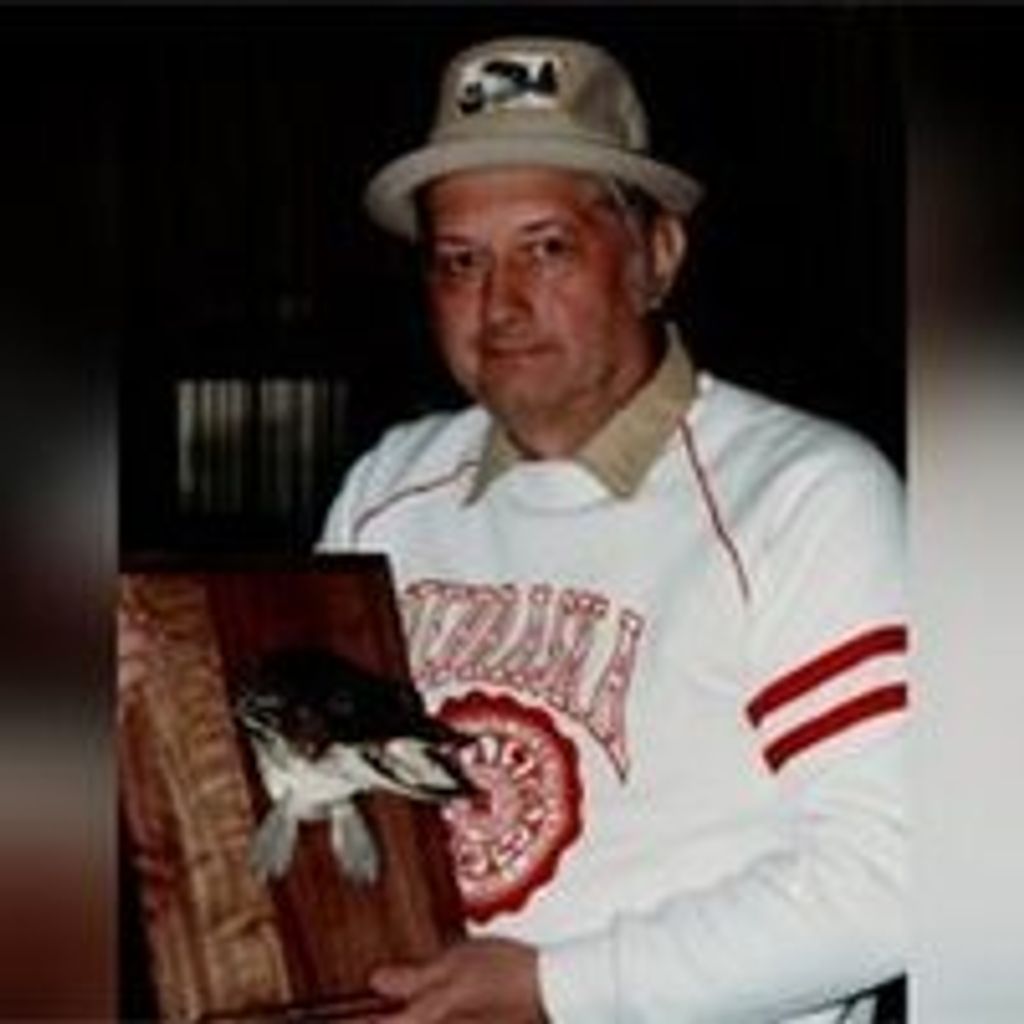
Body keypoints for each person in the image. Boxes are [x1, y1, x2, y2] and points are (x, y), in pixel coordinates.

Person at [318, 35, 906, 1024]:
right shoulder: (385, 489)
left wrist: (557, 990)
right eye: (459, 262)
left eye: (546, 247)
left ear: (655, 257)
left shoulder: (803, 496)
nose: (500, 306)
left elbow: (894, 879)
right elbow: (308, 795)